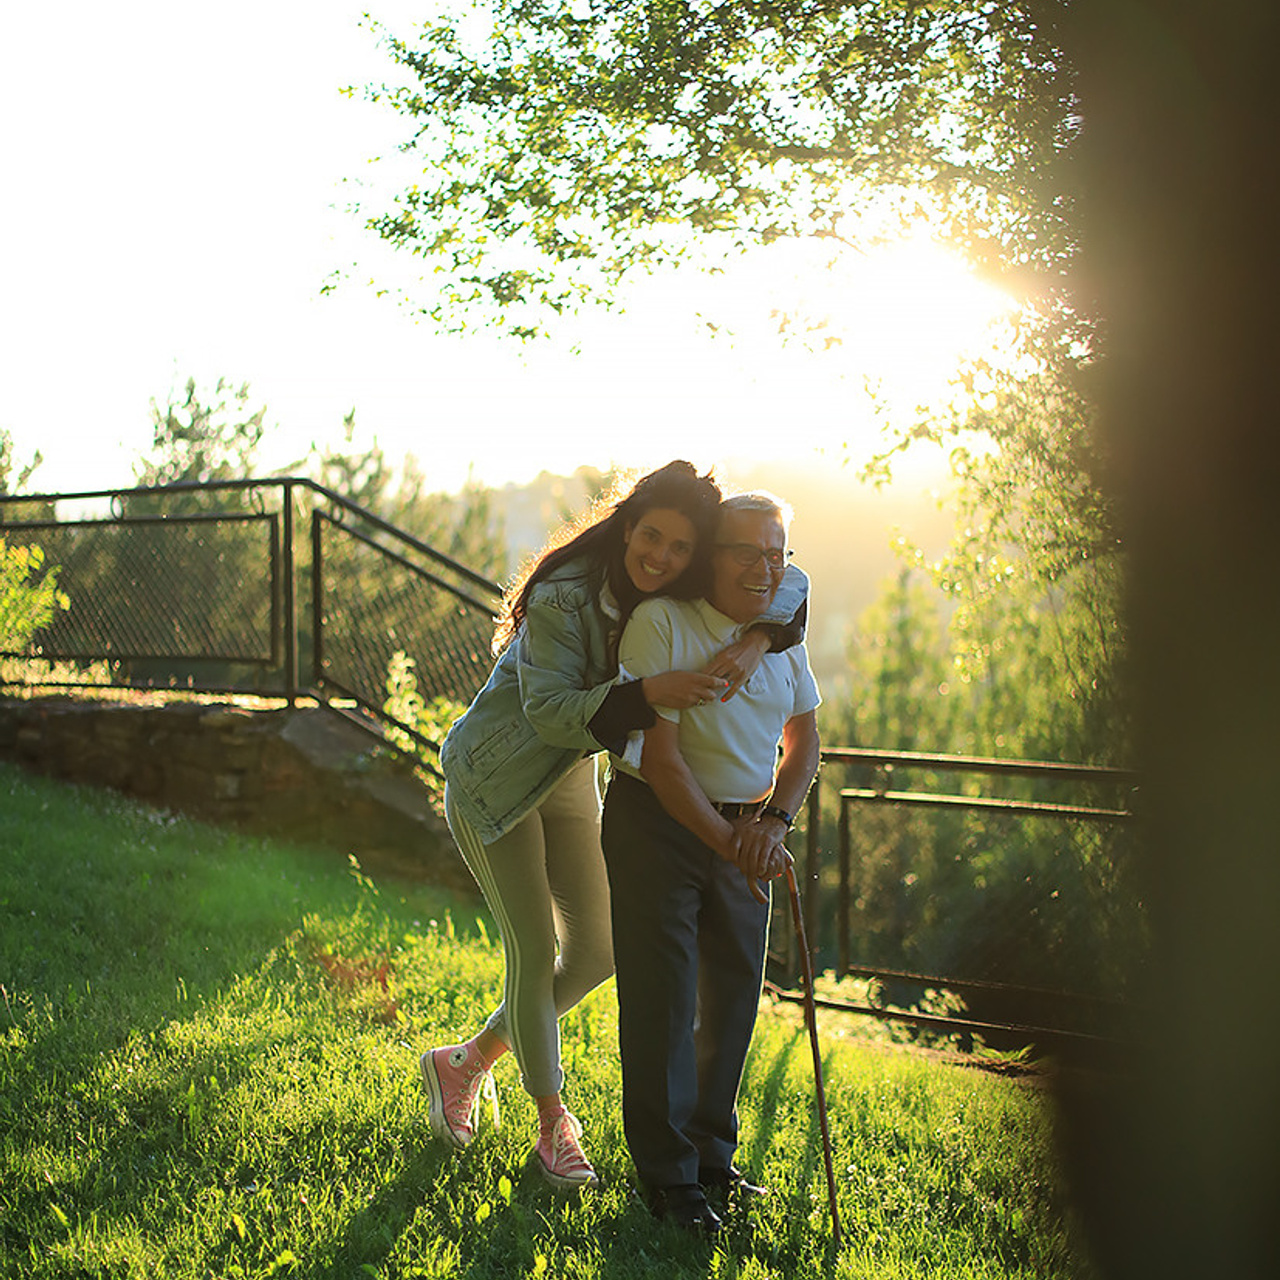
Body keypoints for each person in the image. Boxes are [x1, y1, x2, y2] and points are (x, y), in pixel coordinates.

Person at [421, 463, 809, 1191]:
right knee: (533, 952)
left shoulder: (688, 584)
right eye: (650, 537)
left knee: (597, 950)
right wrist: (647, 692)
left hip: (564, 775)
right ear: (626, 525)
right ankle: (552, 1127)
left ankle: (465, 1060)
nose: (660, 557)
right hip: (497, 776)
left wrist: (759, 638)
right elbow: (548, 712)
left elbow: (791, 580)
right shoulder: (567, 593)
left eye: (679, 547)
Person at [601, 491, 822, 1235]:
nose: (764, 567)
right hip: (656, 827)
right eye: (746, 552)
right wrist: (738, 844)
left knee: (731, 1002)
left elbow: (805, 741)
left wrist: (774, 821)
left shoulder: (782, 639)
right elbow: (660, 763)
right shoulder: (661, 624)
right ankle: (668, 1182)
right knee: (665, 1003)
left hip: (744, 829)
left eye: (776, 552)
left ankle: (712, 1162)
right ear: (710, 558)